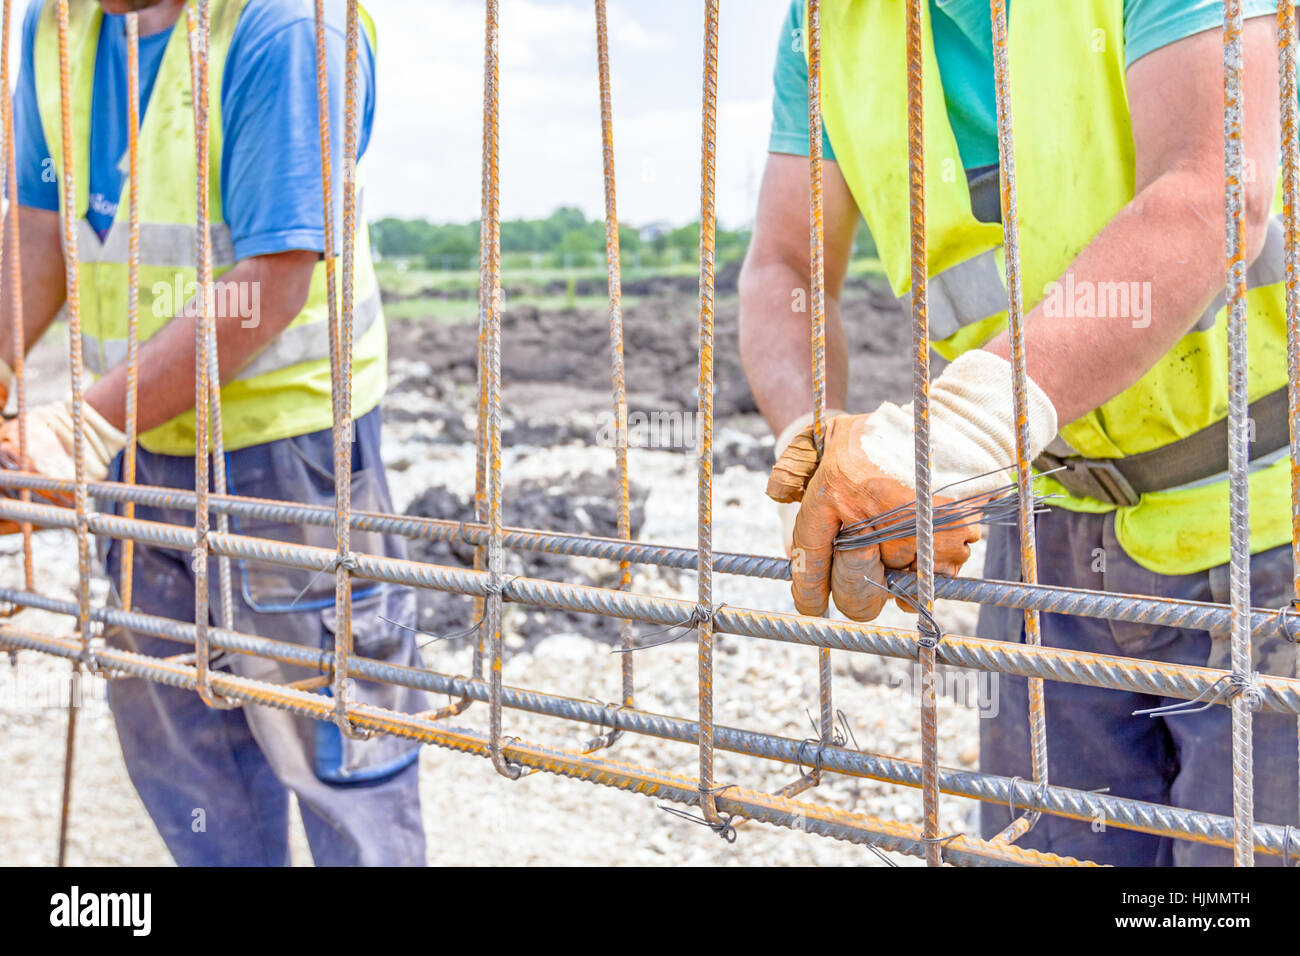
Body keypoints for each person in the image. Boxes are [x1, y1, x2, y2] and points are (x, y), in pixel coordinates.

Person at [741, 0, 1299, 865]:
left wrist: (958, 429)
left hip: (1266, 511)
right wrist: (813, 439)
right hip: (1043, 528)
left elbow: (1209, 191)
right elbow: (784, 262)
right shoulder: (823, 22)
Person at [0, 0, 427, 866]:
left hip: (288, 455)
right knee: (186, 752)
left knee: (337, 756)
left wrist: (84, 422)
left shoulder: (285, 24)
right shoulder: (57, 23)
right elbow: (39, 231)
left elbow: (267, 283)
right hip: (137, 444)